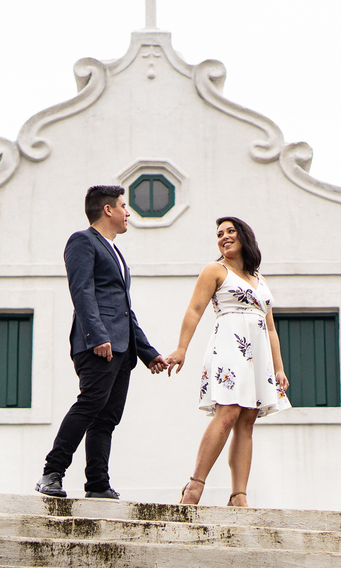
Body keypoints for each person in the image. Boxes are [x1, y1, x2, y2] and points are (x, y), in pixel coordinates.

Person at [36, 185, 168, 499]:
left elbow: (124, 308)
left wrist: (148, 353)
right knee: (89, 405)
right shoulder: (82, 241)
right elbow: (81, 292)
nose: (128, 213)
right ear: (108, 210)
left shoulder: (116, 252)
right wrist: (97, 336)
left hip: (122, 349)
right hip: (97, 344)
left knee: (107, 418)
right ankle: (51, 473)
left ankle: (97, 483)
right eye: (124, 206)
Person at [165, 216, 290, 506]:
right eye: (219, 233)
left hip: (257, 353)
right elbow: (195, 310)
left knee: (247, 420)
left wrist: (279, 367)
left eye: (230, 231)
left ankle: (239, 495)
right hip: (230, 346)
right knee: (229, 412)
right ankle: (195, 485)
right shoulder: (215, 270)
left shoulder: (260, 279)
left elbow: (270, 328)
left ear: (245, 236)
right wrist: (182, 349)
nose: (223, 237)